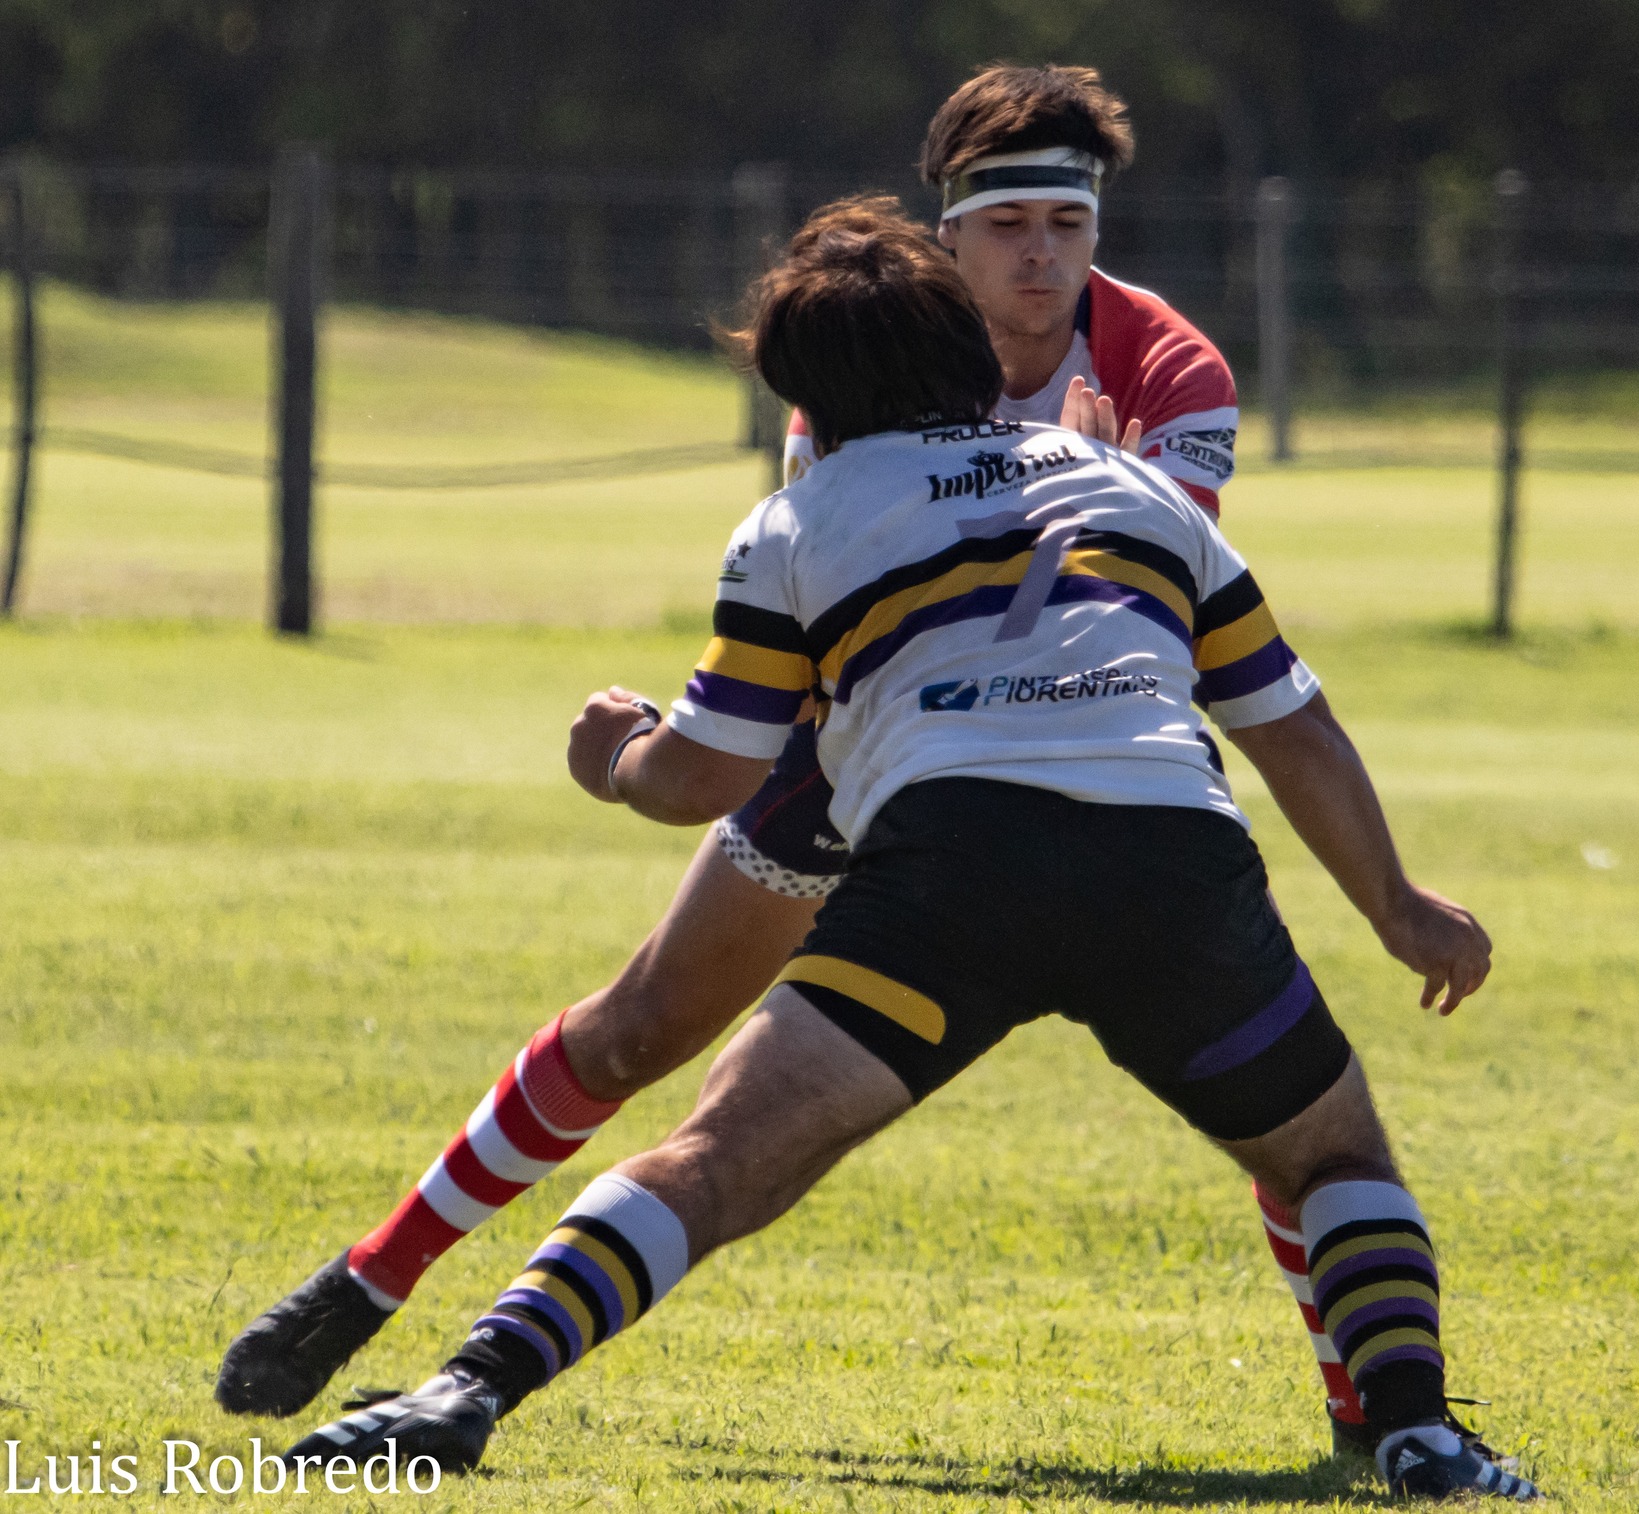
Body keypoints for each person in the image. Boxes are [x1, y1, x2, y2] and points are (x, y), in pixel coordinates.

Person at [277, 201, 1540, 1503]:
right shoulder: (1135, 490)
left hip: (950, 874)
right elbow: (1293, 726)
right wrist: (1397, 906)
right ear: (975, 353)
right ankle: (1418, 1435)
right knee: (1331, 1158)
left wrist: (615, 756)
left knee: (713, 1160)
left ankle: (470, 1385)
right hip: (1170, 870)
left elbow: (708, 777)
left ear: (803, 400)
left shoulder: (798, 521)